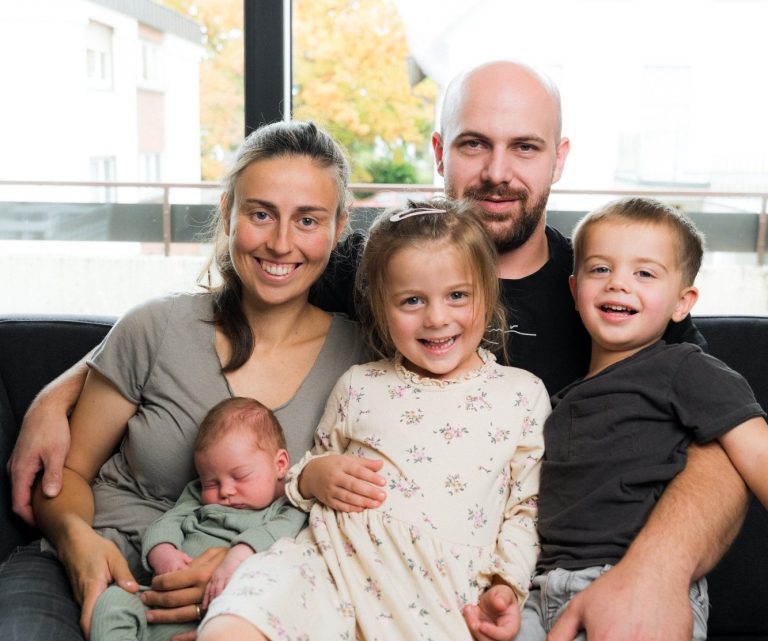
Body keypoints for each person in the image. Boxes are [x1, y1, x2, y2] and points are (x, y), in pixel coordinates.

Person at [8, 60, 749, 640]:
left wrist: (657, 570)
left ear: (558, 158)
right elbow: (224, 301)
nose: (498, 170)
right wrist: (60, 389)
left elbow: (720, 437)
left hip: (488, 581)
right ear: (439, 151)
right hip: (312, 571)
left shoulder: (608, 294)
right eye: (474, 143)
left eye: (524, 146)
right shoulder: (367, 267)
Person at [0, 120, 368, 641]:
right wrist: (76, 540)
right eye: (261, 214)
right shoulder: (156, 326)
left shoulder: (362, 359)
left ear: (339, 226)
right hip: (97, 564)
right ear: (228, 212)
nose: (281, 243)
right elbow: (70, 473)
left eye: (308, 220)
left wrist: (248, 562)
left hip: (256, 596)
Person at [197, 199, 549, 641]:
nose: (437, 318)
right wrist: (314, 477)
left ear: (487, 293)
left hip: (437, 591)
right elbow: (311, 466)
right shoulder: (359, 384)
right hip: (330, 565)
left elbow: (527, 508)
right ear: (381, 307)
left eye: (457, 296)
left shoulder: (521, 394)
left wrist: (507, 586)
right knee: (234, 622)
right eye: (412, 300)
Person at [516, 196, 768, 641]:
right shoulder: (556, 400)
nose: (618, 283)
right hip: (543, 590)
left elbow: (760, 454)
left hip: (634, 588)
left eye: (645, 273)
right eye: (600, 269)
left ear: (682, 302)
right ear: (575, 291)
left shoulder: (684, 367)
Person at [90, 396, 307, 641]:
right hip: (159, 602)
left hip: (225, 614)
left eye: (240, 476)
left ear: (280, 464)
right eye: (211, 483)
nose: (225, 491)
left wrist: (236, 557)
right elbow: (166, 523)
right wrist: (163, 553)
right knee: (112, 601)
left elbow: (275, 535)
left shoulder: (288, 507)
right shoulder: (197, 497)